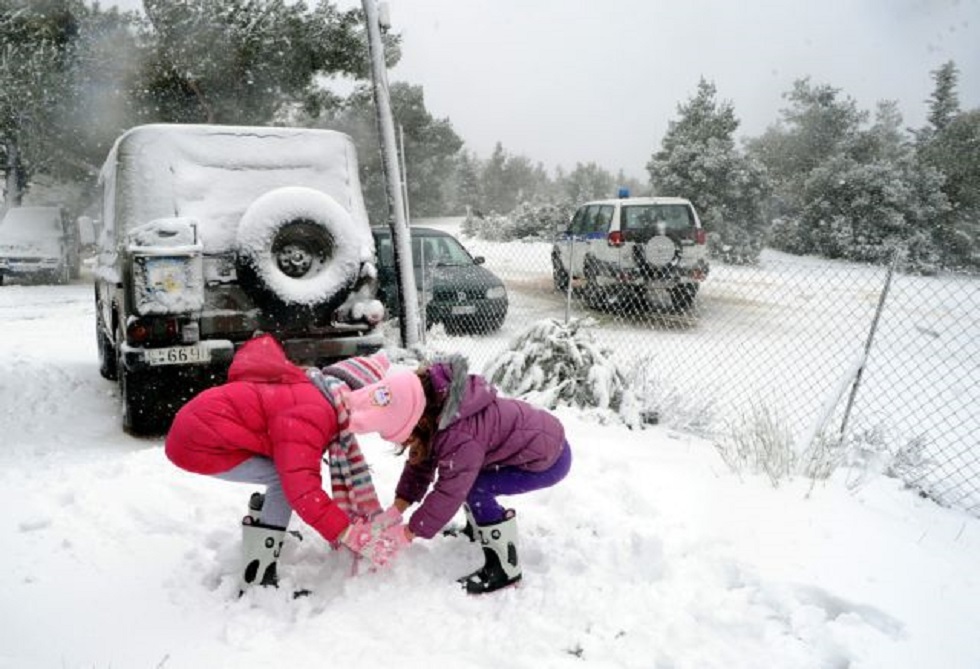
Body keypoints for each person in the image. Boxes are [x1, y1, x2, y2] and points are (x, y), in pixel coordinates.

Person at [164, 334, 421, 595]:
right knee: (283, 481)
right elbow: (303, 491)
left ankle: (264, 521)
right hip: (197, 442)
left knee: (284, 471)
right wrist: (348, 532)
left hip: (199, 428)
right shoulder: (313, 411)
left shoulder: (311, 392)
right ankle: (259, 574)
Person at [344, 354, 572, 594]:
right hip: (534, 443)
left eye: (407, 437)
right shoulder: (436, 410)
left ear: (418, 423)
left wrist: (407, 533)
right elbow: (421, 462)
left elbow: (450, 492)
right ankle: (477, 529)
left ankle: (505, 570)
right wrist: (397, 509)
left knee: (474, 487)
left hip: (549, 460)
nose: (408, 443)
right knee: (467, 477)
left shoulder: (459, 436)